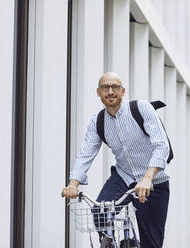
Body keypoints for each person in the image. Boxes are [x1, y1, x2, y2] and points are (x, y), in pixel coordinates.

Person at [62, 72, 170, 248]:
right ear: (98, 92)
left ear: (123, 91)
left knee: (152, 244)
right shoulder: (98, 122)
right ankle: (111, 244)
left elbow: (161, 146)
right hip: (123, 177)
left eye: (115, 87)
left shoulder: (141, 108)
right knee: (100, 212)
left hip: (154, 182)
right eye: (105, 87)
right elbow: (85, 153)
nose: (110, 91)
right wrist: (73, 183)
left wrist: (147, 179)